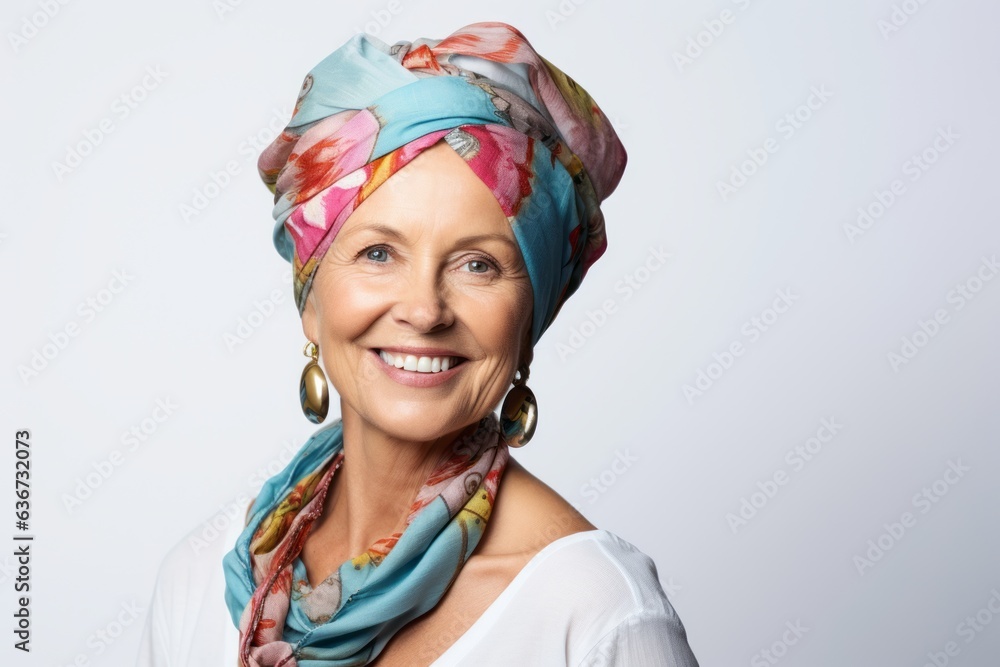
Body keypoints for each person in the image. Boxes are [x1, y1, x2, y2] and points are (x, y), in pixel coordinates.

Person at [137, 21, 699, 667]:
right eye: (379, 252)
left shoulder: (596, 613)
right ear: (311, 301)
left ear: (531, 314)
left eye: (478, 264)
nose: (425, 309)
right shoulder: (197, 583)